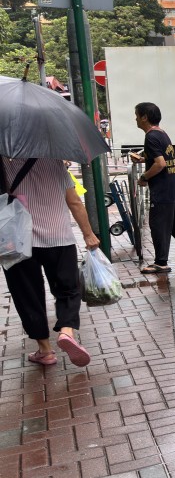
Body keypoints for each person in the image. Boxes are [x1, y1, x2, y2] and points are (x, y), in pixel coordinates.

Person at [0, 156, 100, 367]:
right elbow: (74, 201)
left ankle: (45, 351)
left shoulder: (4, 165)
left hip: (19, 241)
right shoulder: (55, 163)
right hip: (59, 237)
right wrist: (88, 234)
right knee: (68, 289)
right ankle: (66, 331)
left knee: (28, 295)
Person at [130, 102, 175, 274]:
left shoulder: (151, 136)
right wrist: (143, 159)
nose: (135, 118)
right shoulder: (161, 133)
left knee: (158, 224)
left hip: (162, 189)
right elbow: (160, 157)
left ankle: (161, 262)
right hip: (171, 185)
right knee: (173, 223)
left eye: (137, 115)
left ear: (144, 117)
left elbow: (159, 164)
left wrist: (144, 177)